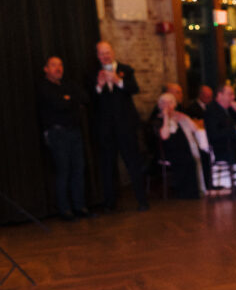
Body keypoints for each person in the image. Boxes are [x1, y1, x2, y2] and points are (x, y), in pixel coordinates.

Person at [92, 41, 148, 212]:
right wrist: (99, 86)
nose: (105, 56)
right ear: (98, 56)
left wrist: (118, 81)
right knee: (108, 166)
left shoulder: (126, 69)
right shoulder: (93, 73)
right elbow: (90, 99)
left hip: (126, 127)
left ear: (113, 52)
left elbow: (134, 89)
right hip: (106, 129)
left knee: (133, 163)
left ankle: (142, 201)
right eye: (102, 53)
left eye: (107, 52)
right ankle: (110, 204)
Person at [38, 56, 89, 220]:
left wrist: (69, 100)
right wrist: (71, 102)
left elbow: (85, 99)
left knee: (78, 169)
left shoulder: (69, 84)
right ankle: (65, 210)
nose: (58, 68)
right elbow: (59, 105)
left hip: (74, 131)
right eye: (53, 65)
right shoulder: (44, 87)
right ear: (46, 69)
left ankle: (80, 206)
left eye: (60, 64)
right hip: (57, 134)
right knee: (63, 170)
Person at [156, 92, 207, 199]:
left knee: (204, 155)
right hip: (168, 151)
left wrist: (185, 119)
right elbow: (164, 136)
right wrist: (166, 117)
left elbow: (195, 129)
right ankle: (187, 193)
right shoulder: (158, 119)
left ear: (174, 104)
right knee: (186, 159)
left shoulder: (180, 116)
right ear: (160, 105)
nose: (167, 105)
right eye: (164, 103)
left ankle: (204, 188)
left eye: (170, 103)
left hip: (183, 149)